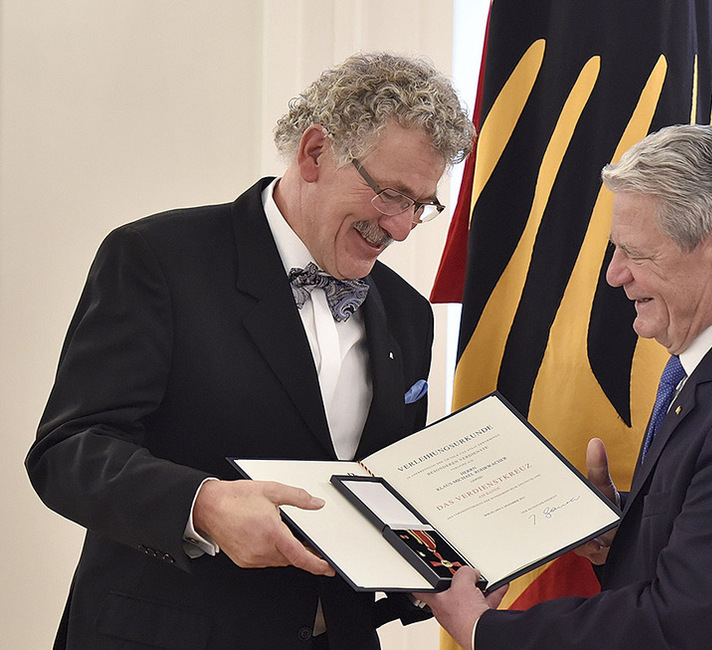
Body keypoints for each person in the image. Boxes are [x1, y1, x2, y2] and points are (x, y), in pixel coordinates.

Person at [26, 52, 474, 650]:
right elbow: (68, 451)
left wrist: (446, 564)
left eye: (422, 205)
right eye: (391, 194)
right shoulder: (157, 258)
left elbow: (373, 493)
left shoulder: (409, 312)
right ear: (315, 153)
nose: (400, 226)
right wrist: (203, 505)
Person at [417, 124, 712, 649]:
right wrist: (616, 531)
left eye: (635, 254)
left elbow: (672, 626)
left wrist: (483, 628)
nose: (613, 274)